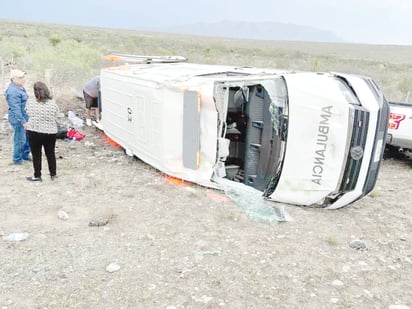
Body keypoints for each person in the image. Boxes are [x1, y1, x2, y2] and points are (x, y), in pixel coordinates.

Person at [25, 81, 60, 182]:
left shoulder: (30, 102)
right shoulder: (52, 103)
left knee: (36, 154)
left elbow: (27, 111)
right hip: (50, 132)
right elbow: (57, 114)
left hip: (34, 131)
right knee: (50, 153)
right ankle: (53, 174)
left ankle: (37, 176)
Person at [4, 69, 31, 164]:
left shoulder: (20, 87)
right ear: (13, 78)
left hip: (25, 116)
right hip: (18, 118)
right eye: (20, 77)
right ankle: (17, 159)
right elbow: (15, 108)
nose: (23, 79)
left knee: (28, 137)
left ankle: (25, 154)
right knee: (20, 139)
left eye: (23, 77)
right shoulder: (12, 91)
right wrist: (23, 121)